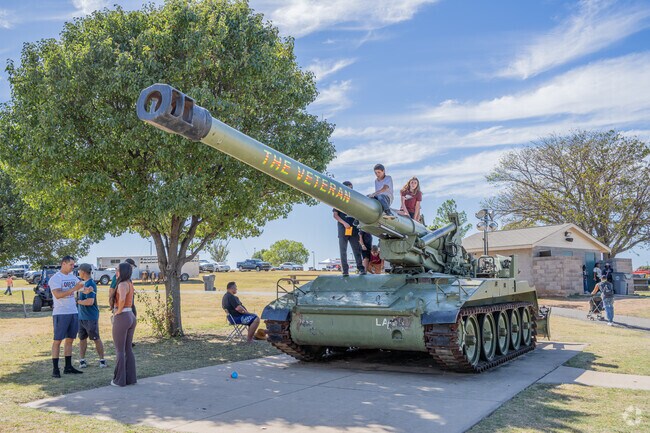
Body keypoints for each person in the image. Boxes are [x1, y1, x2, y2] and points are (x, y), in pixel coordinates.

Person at [49, 256, 86, 378]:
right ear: (63, 264)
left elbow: (81, 288)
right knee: (57, 341)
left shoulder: (73, 277)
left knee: (70, 339)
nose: (73, 267)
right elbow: (58, 295)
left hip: (73, 311)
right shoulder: (55, 278)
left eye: (73, 265)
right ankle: (55, 369)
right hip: (61, 313)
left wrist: (86, 290)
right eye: (71, 264)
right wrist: (74, 289)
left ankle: (68, 367)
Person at [76, 263, 107, 369]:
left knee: (95, 338)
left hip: (90, 317)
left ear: (83, 272)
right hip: (81, 317)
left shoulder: (91, 284)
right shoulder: (83, 283)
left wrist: (78, 302)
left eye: (79, 270)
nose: (78, 272)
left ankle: (102, 360)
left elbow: (90, 301)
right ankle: (82, 360)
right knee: (82, 339)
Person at [111, 262, 137, 386]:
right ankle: (131, 378)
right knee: (128, 349)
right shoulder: (129, 283)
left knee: (119, 350)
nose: (116, 271)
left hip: (123, 316)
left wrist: (118, 312)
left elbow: (121, 299)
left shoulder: (121, 284)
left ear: (122, 271)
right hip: (131, 315)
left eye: (117, 269)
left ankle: (119, 380)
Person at [333, 181, 366, 276]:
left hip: (354, 229)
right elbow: (335, 215)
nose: (350, 190)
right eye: (348, 188)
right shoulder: (337, 200)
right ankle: (345, 270)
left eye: (351, 188)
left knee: (357, 250)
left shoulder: (355, 201)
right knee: (343, 250)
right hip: (343, 229)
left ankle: (361, 269)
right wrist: (344, 223)